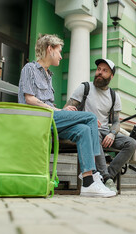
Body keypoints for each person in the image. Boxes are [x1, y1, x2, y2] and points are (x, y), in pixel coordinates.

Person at [18, 34, 115, 198]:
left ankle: (87, 182)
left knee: (84, 130)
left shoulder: (49, 75)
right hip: (38, 120)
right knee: (90, 118)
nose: (61, 56)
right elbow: (29, 99)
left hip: (50, 119)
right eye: (59, 51)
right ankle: (94, 174)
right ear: (50, 49)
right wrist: (57, 110)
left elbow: (46, 103)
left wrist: (62, 109)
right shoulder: (30, 69)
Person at [65, 58, 136, 193]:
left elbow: (116, 122)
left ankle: (107, 175)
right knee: (94, 134)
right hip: (87, 131)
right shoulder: (84, 88)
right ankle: (106, 177)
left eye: (104, 71)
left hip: (105, 132)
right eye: (99, 69)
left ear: (111, 76)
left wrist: (112, 133)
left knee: (132, 143)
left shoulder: (114, 96)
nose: (100, 73)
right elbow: (66, 111)